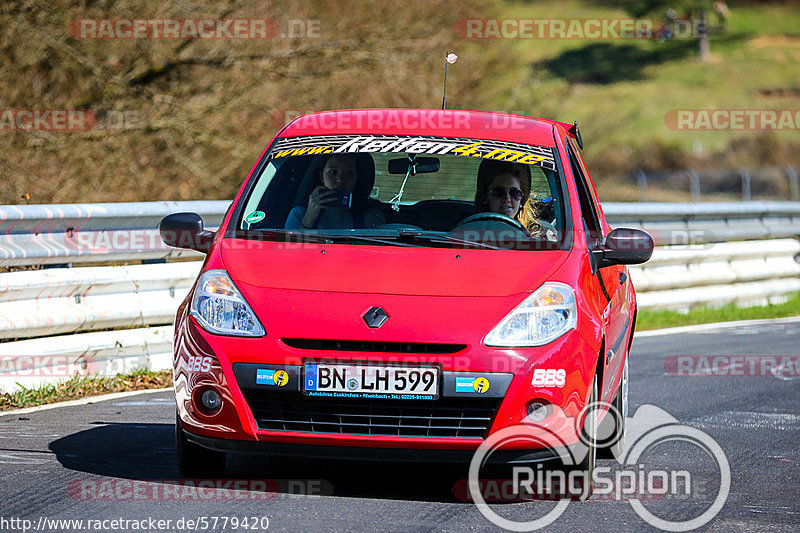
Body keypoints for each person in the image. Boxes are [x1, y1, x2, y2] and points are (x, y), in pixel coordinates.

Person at [285, 154, 384, 230]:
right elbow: (288, 252)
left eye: (349, 173)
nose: (340, 180)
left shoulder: (370, 217)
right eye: (332, 172)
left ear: (357, 178)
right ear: (321, 177)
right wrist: (309, 218)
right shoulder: (299, 215)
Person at [474, 159, 545, 237]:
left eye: (514, 193)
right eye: (498, 192)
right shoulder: (468, 233)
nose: (507, 199)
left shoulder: (536, 235)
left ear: (522, 199)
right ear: (485, 196)